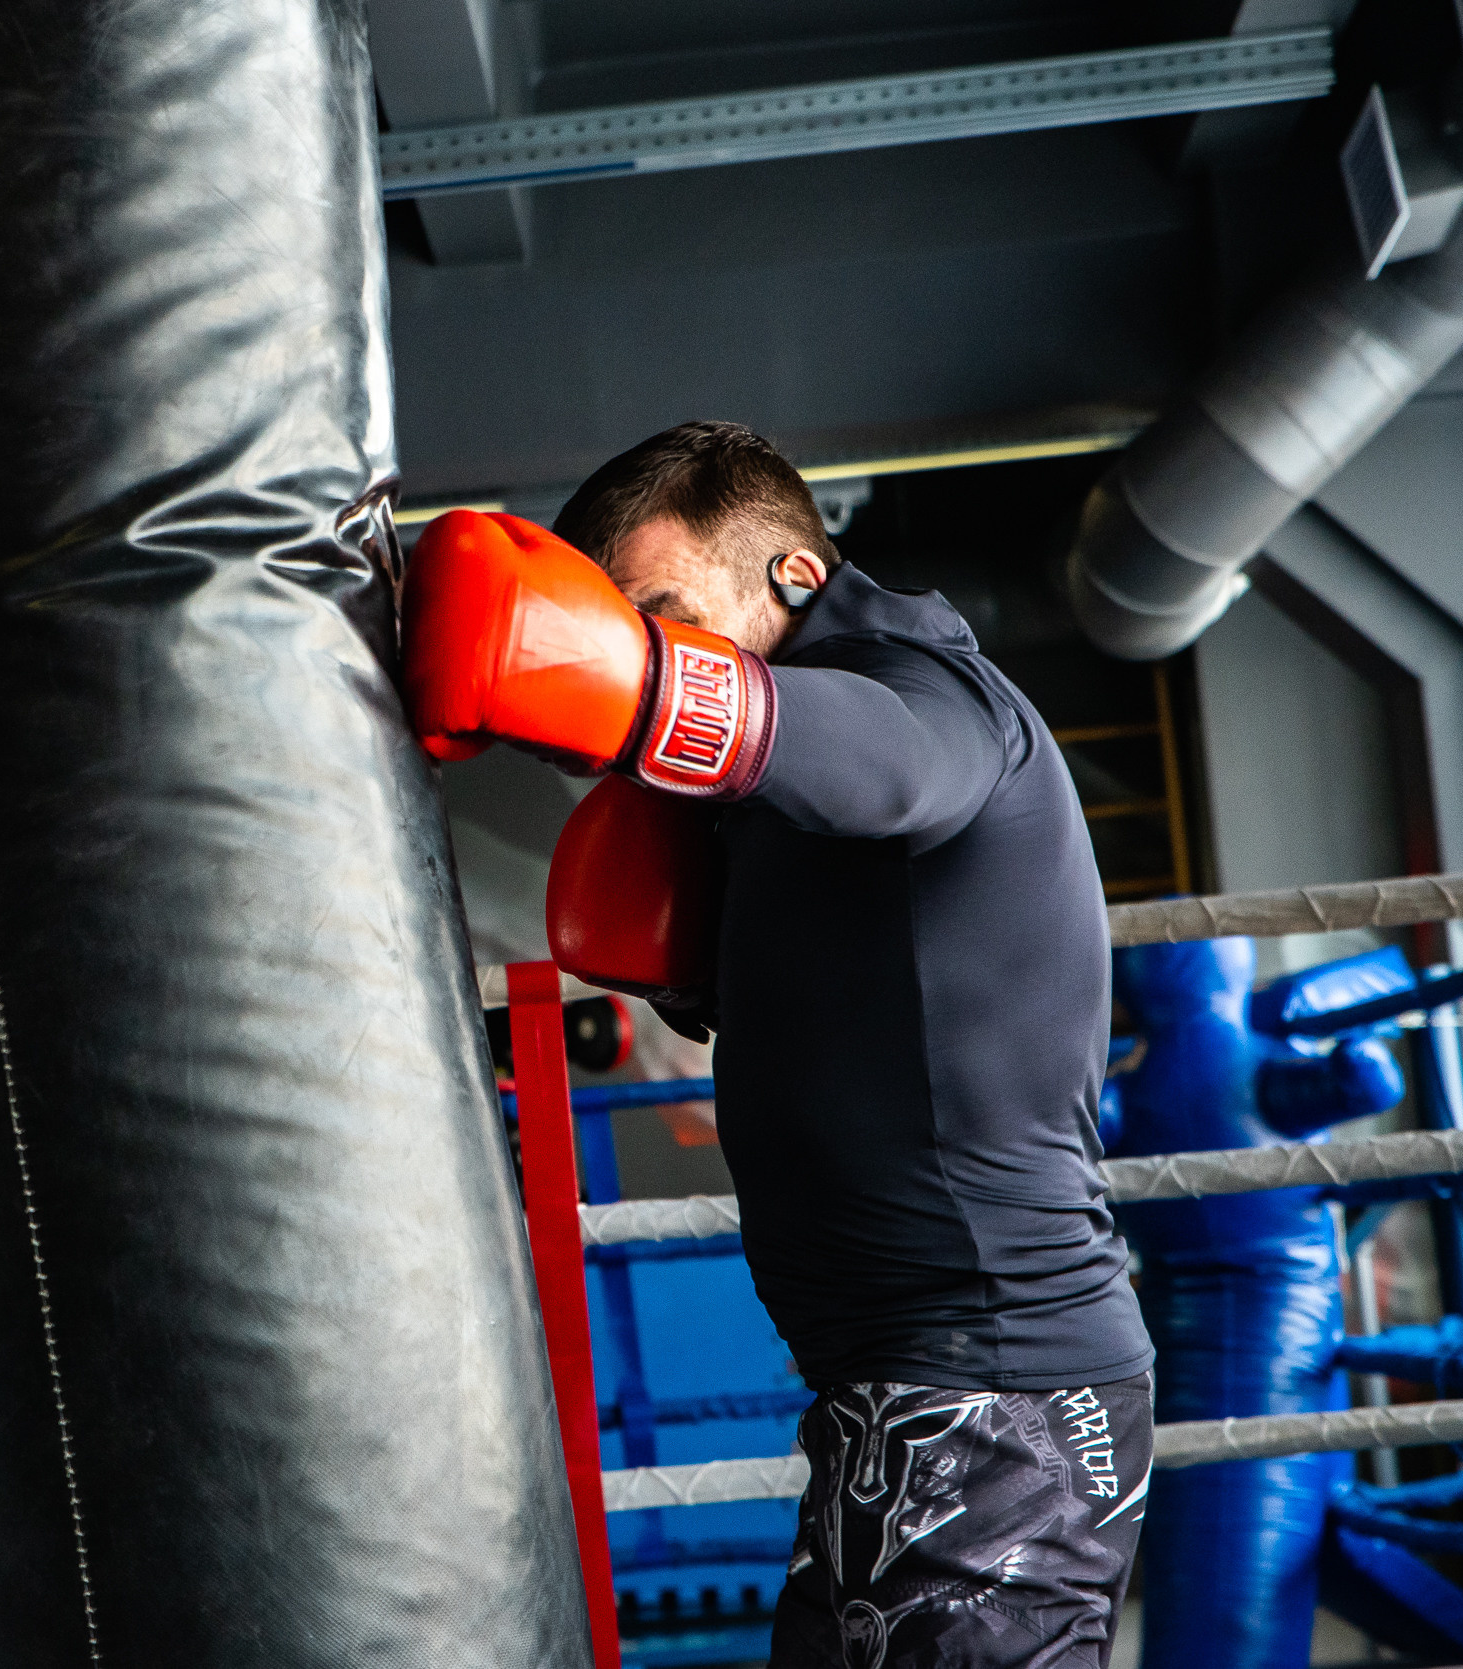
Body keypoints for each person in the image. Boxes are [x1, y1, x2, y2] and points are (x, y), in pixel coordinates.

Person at [400, 421, 1154, 1668]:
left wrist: (636, 684)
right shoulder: (763, 814)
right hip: (899, 1386)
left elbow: (898, 770)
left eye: (662, 615)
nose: (641, 656)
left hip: (994, 1386)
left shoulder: (937, 695)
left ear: (793, 581)